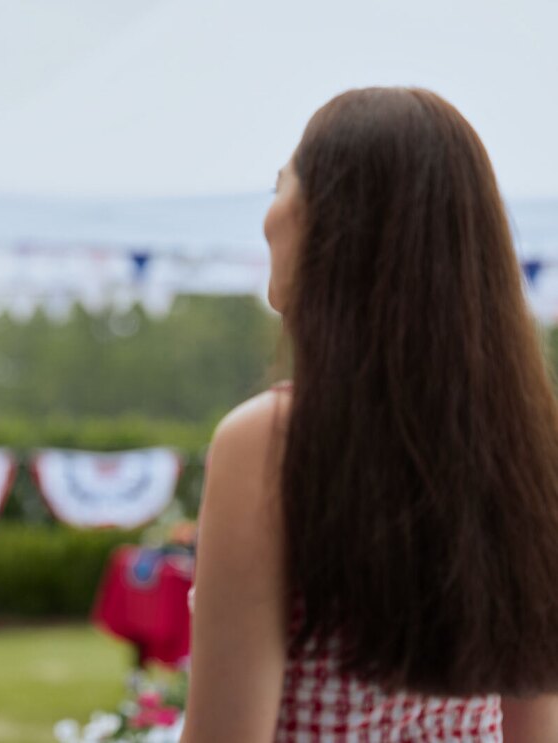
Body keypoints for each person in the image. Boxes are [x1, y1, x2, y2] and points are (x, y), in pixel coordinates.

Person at [181, 87, 558, 742]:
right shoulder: (528, 445)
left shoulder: (270, 443)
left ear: (330, 220)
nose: (267, 216)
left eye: (280, 184)